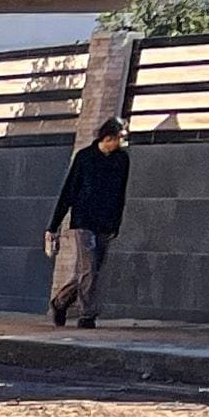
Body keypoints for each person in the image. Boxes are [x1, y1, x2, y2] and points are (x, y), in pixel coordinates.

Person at [48, 115, 130, 331]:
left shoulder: (122, 160)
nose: (123, 142)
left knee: (92, 270)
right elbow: (69, 191)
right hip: (84, 220)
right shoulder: (85, 157)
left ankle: (61, 301)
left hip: (106, 222)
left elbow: (120, 194)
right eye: (120, 137)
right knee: (88, 268)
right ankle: (87, 315)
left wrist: (116, 223)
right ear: (109, 137)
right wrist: (53, 225)